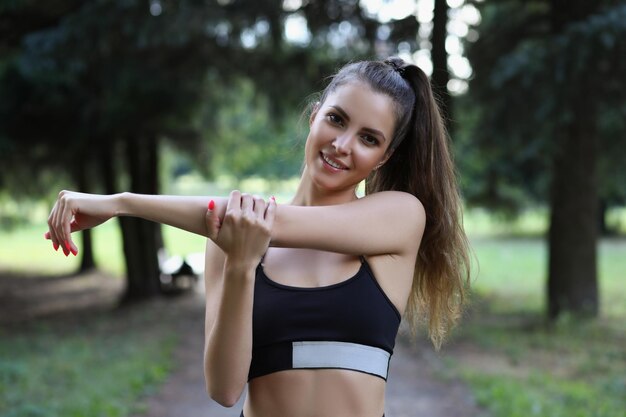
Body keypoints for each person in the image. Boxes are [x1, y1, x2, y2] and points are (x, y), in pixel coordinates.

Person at [45, 57, 471, 417]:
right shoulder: (232, 240)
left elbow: (268, 223)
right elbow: (225, 390)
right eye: (336, 119)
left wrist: (121, 202)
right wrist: (243, 266)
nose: (342, 144)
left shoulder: (399, 216)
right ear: (314, 115)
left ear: (384, 157)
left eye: (368, 138)